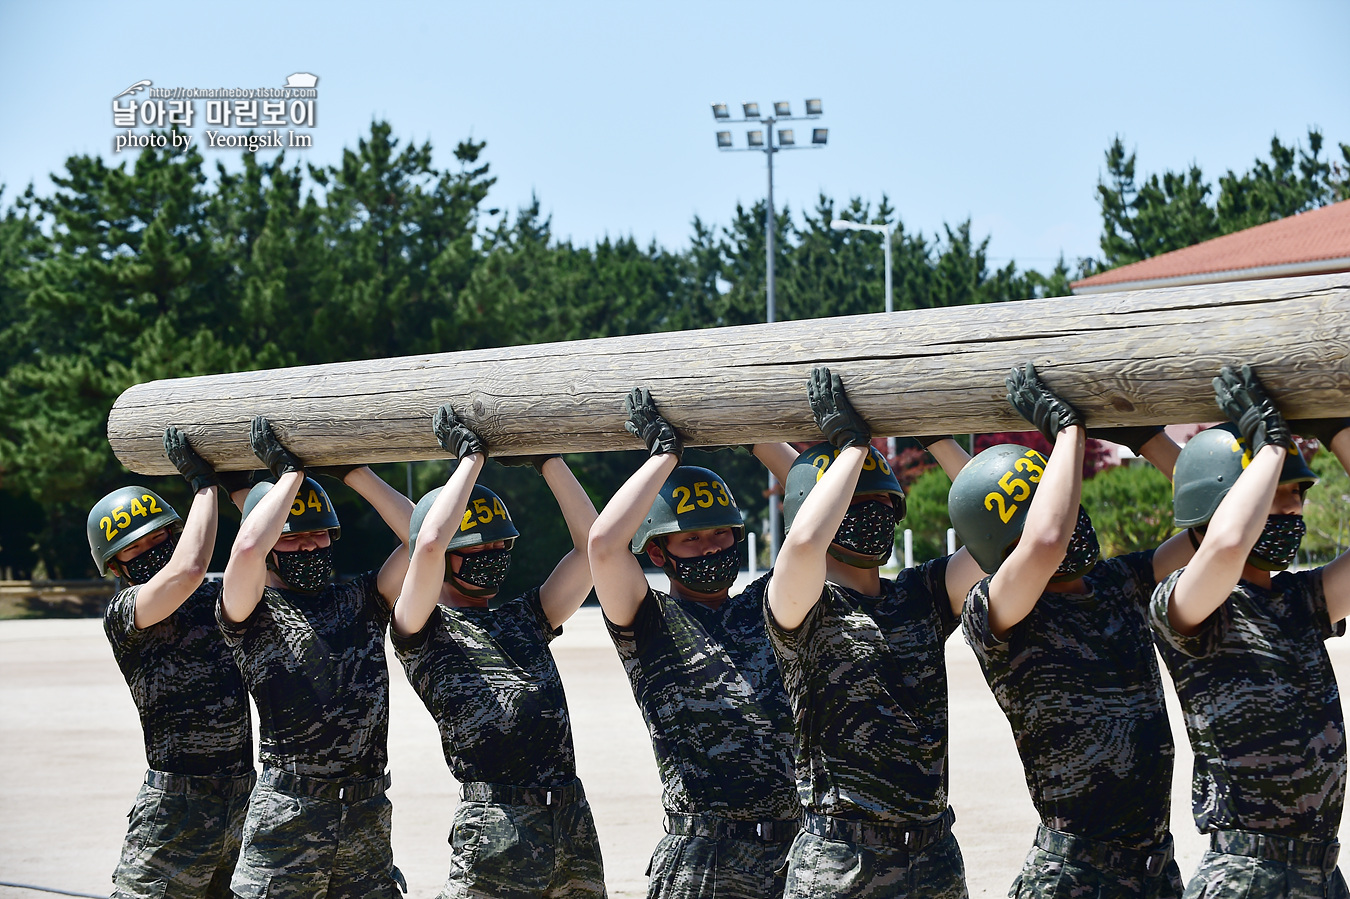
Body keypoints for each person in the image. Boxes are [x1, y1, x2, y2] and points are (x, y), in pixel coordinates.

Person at [949, 362, 1192, 899]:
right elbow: (1045, 542)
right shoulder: (996, 614)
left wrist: (1149, 441)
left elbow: (1217, 524)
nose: (1074, 519)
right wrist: (1067, 434)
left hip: (1154, 871)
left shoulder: (1116, 582)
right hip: (1076, 875)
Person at [763, 366, 987, 899]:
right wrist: (851, 449)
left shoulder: (921, 594)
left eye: (886, 503)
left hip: (932, 856)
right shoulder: (802, 603)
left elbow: (1007, 525)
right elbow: (800, 546)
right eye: (860, 505)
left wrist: (936, 438)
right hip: (841, 862)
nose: (877, 514)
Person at [587, 387, 800, 899]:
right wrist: (664, 457)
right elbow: (602, 544)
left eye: (721, 533)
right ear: (658, 553)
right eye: (691, 538)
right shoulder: (649, 622)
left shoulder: (765, 604)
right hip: (704, 857)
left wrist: (754, 434)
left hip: (797, 852)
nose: (711, 546)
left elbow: (819, 513)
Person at [1149, 365, 1350, 899]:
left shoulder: (1299, 600)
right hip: (1246, 873)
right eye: (1275, 493)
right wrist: (1271, 448)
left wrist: (1335, 430)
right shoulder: (1184, 603)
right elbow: (1224, 547)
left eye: (1297, 494)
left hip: (1322, 872)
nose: (1292, 507)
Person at [391, 404, 606, 898]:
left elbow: (593, 548)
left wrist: (547, 460)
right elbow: (425, 547)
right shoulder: (423, 629)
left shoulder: (523, 618)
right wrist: (471, 460)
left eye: (498, 548)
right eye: (477, 549)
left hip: (570, 819)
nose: (491, 558)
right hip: (496, 825)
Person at [218, 416, 413, 899]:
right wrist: (290, 475)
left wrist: (354, 473)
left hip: (366, 814)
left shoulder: (362, 598)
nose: (308, 544)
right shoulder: (250, 609)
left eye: (319, 533)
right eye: (290, 537)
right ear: (270, 548)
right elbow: (244, 549)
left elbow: (425, 539)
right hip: (290, 813)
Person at [93, 427, 255, 899]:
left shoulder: (214, 594)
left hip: (242, 797)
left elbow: (265, 550)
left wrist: (241, 488)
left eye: (157, 538)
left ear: (176, 534)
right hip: (175, 807)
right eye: (133, 550)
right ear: (117, 567)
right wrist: (204, 485)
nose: (149, 552)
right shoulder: (126, 612)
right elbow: (185, 570)